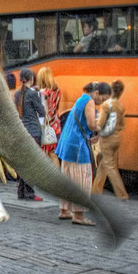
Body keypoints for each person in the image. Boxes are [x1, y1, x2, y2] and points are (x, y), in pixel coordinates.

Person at [56, 81, 104, 225]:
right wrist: (101, 128)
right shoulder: (89, 101)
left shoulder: (80, 99)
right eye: (103, 97)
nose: (102, 101)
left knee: (68, 178)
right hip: (77, 146)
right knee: (82, 179)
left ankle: (65, 210)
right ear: (96, 93)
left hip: (67, 143)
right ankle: (79, 215)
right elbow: (91, 124)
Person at [91, 79, 129, 200]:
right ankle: (96, 190)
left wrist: (94, 123)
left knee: (110, 167)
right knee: (104, 165)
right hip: (116, 138)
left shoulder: (106, 105)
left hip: (106, 139)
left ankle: (122, 194)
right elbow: (123, 125)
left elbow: (100, 123)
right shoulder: (121, 106)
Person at [13, 67, 45, 200]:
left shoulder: (17, 94)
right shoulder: (32, 94)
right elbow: (42, 111)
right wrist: (41, 97)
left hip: (22, 131)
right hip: (33, 131)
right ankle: (29, 192)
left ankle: (21, 191)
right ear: (31, 79)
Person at [36, 67, 63, 165]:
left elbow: (43, 112)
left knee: (43, 155)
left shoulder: (42, 93)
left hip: (46, 127)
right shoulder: (57, 91)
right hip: (56, 125)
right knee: (53, 154)